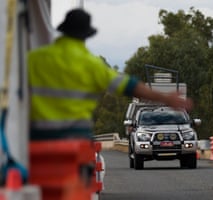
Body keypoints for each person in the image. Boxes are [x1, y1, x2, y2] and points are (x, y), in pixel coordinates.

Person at [27, 8, 193, 140]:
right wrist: (166, 99)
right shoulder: (92, 65)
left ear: (64, 31)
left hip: (38, 136)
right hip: (76, 137)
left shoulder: (35, 58)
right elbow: (130, 86)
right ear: (85, 35)